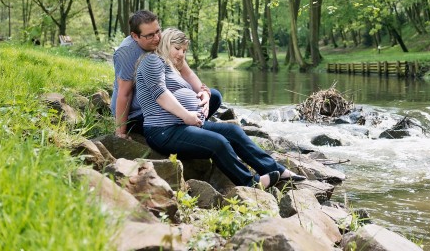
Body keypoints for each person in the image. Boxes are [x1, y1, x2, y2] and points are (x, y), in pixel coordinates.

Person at [135, 28, 306, 188]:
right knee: (219, 143)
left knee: (234, 132)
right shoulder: (153, 60)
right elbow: (161, 94)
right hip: (164, 130)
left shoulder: (170, 66)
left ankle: (275, 169)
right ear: (166, 44)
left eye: (184, 51)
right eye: (177, 48)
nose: (181, 54)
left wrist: (204, 94)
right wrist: (187, 115)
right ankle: (251, 183)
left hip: (182, 125)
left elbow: (194, 85)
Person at [111, 10, 222, 138]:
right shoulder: (127, 53)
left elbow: (188, 74)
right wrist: (120, 133)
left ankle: (195, 129)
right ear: (135, 36)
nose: (157, 38)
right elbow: (125, 94)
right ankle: (188, 134)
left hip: (160, 100)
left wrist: (204, 93)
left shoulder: (162, 40)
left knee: (214, 96)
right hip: (138, 113)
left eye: (158, 31)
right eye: (150, 35)